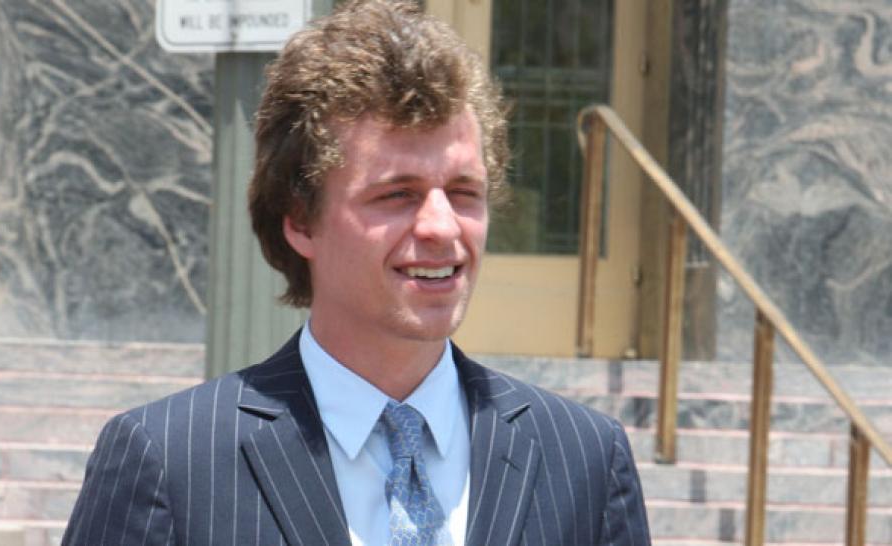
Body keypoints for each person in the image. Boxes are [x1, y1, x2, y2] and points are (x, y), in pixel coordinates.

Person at [61, 1, 651, 545]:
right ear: (301, 221)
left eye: (464, 192)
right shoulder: (170, 461)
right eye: (397, 194)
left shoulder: (585, 460)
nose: (443, 227)